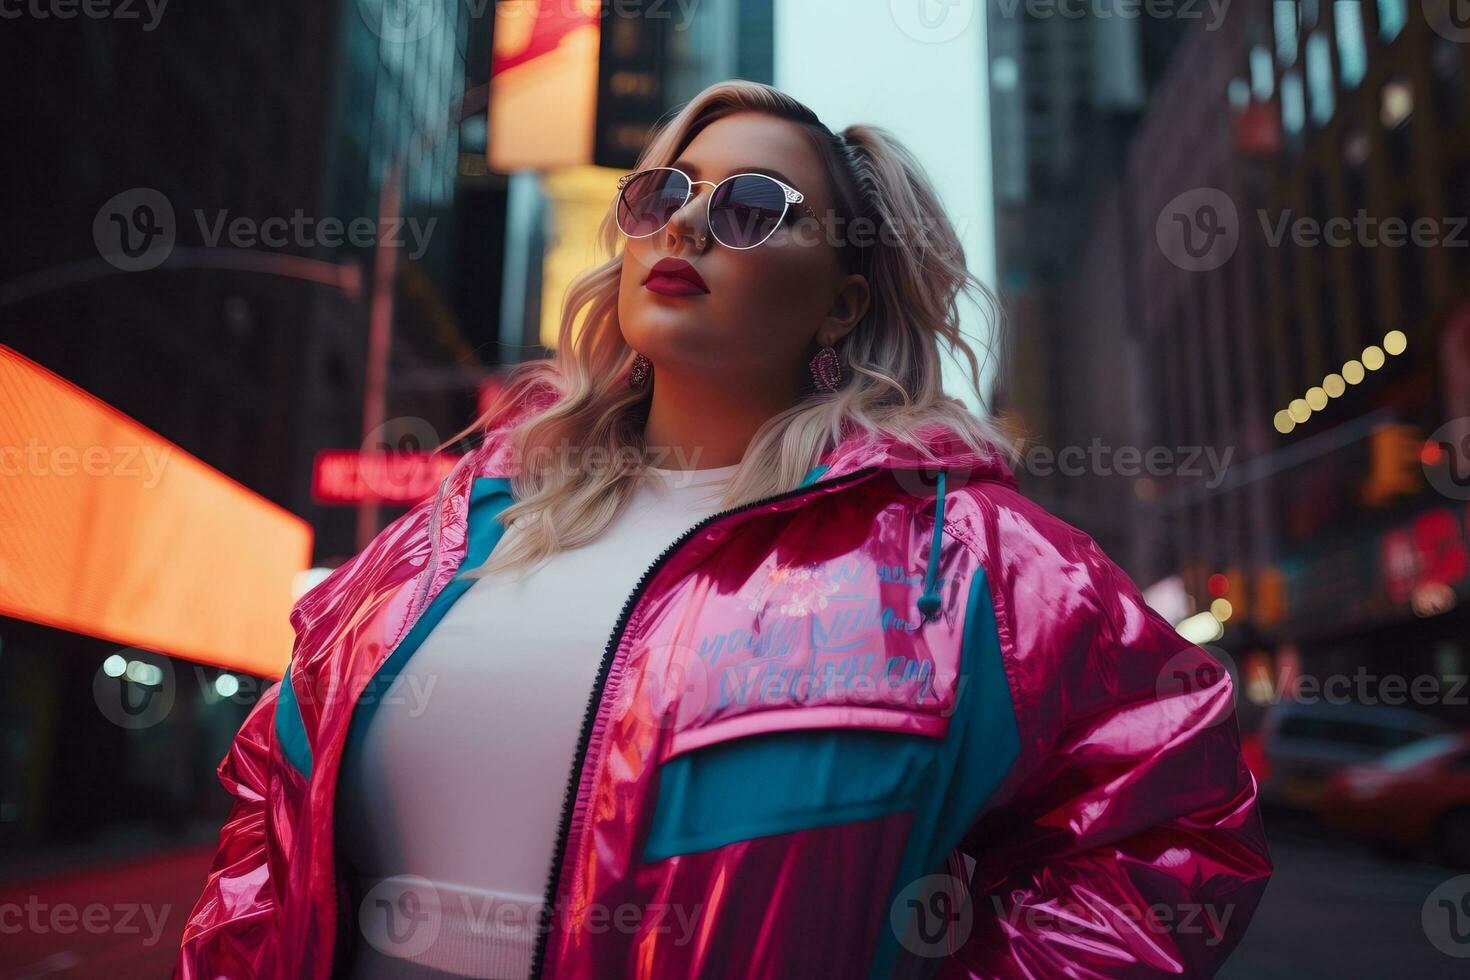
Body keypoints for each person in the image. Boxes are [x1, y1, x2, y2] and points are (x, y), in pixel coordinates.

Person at [175, 80, 1271, 980]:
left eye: (753, 205)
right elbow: (269, 805)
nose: (689, 222)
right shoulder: (450, 535)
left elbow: (1174, 822)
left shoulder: (969, 560)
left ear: (842, 302)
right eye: (665, 193)